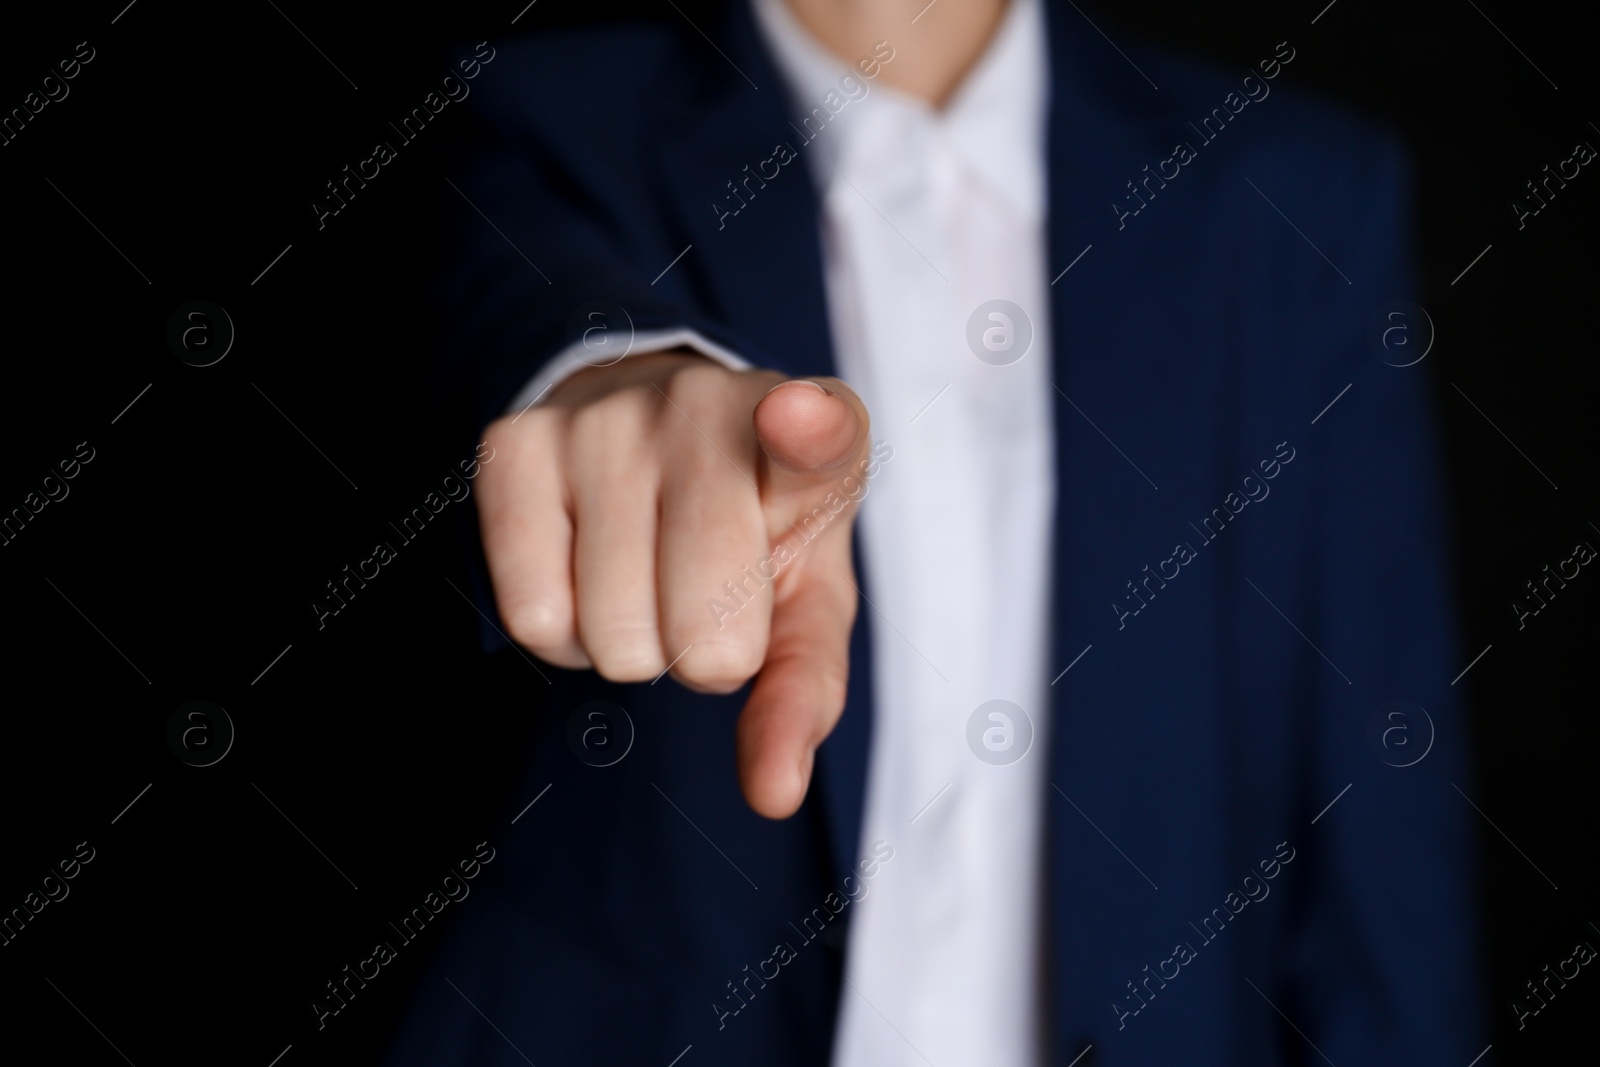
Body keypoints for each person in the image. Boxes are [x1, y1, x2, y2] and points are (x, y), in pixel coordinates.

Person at [390, 1, 1484, 1063]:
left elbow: (1380, 845)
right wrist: (619, 382)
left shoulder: (1294, 199)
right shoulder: (526, 113)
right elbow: (522, 304)